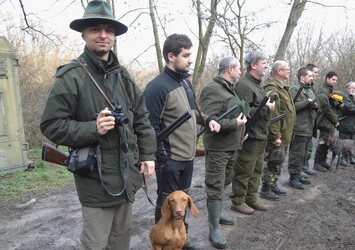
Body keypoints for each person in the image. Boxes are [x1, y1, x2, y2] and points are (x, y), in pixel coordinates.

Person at [40, 1, 157, 249]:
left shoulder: (123, 76)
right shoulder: (70, 76)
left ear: (114, 36)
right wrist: (93, 128)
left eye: (109, 30)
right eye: (95, 29)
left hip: (127, 176)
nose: (103, 35)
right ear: (84, 34)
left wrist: (148, 155)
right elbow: (51, 125)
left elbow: (143, 118)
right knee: (96, 243)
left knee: (120, 240)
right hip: (95, 179)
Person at [143, 33, 220, 250]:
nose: (190, 60)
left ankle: (179, 240)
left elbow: (194, 112)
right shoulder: (157, 87)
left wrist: (210, 120)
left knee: (181, 205)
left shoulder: (185, 84)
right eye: (186, 55)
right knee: (166, 206)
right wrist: (162, 159)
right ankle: (161, 243)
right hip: (170, 159)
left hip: (188, 157)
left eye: (190, 55)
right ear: (171, 56)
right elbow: (150, 126)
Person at [199, 56, 248, 249]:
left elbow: (232, 114)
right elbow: (209, 121)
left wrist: (241, 131)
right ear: (229, 69)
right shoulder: (212, 89)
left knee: (225, 180)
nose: (240, 72)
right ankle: (214, 228)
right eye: (238, 69)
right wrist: (235, 124)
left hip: (231, 145)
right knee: (215, 184)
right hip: (218, 148)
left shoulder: (229, 88)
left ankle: (217, 213)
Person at [230, 51, 275, 214]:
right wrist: (266, 108)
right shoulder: (244, 85)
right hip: (250, 136)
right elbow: (245, 112)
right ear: (253, 65)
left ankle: (251, 199)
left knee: (256, 170)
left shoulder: (257, 84)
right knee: (244, 170)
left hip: (261, 135)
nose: (266, 66)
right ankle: (238, 201)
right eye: (264, 63)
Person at [260, 60, 296, 201]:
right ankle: (266, 188)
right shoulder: (273, 89)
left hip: (285, 132)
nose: (288, 71)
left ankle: (274, 184)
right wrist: (276, 136)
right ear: (279, 71)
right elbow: (273, 116)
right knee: (273, 161)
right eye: (286, 69)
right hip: (278, 134)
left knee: (279, 160)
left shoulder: (282, 88)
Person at [287, 68, 316, 189]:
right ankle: (293, 177)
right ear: (302, 77)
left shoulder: (309, 90)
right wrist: (307, 102)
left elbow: (312, 103)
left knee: (303, 154)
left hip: (308, 126)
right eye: (309, 76)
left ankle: (298, 175)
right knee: (296, 154)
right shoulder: (295, 90)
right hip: (299, 127)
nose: (312, 78)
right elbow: (293, 107)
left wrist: (314, 105)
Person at [313, 71, 341, 172]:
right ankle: (316, 163)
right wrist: (335, 121)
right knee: (322, 143)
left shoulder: (331, 91)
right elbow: (326, 108)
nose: (335, 82)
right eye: (333, 79)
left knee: (327, 144)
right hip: (325, 121)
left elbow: (334, 105)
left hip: (330, 122)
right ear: (327, 78)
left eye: (336, 80)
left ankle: (323, 161)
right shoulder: (323, 91)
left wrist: (339, 104)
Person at [337, 82, 355, 165]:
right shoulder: (343, 96)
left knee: (352, 143)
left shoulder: (354, 98)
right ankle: (341, 159)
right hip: (346, 125)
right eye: (354, 88)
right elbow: (349, 107)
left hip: (354, 125)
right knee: (343, 143)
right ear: (348, 88)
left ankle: (351, 158)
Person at [302, 63, 319, 176]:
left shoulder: (311, 87)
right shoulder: (301, 88)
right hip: (303, 123)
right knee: (302, 149)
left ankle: (305, 166)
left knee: (309, 147)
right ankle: (302, 168)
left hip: (311, 122)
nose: (316, 75)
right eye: (315, 72)